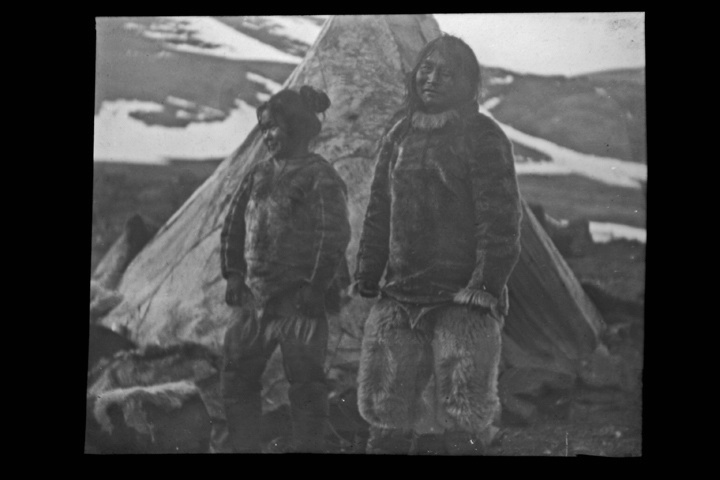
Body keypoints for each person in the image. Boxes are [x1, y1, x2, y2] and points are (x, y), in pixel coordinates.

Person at [354, 35, 523, 455]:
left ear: (468, 82)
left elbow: (499, 219)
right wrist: (368, 271)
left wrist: (485, 286)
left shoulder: (483, 136)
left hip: (461, 301)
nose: (432, 79)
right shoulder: (400, 134)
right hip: (400, 295)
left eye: (447, 73)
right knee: (387, 414)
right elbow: (379, 210)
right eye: (426, 69)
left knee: (461, 415)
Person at [219, 86, 351, 453]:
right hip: (253, 299)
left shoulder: (319, 176)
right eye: (262, 129)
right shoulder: (257, 174)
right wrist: (233, 273)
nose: (267, 136)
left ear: (297, 127)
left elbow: (334, 234)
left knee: (306, 384)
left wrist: (317, 287)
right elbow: (233, 226)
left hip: (298, 301)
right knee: (237, 379)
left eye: (273, 127)